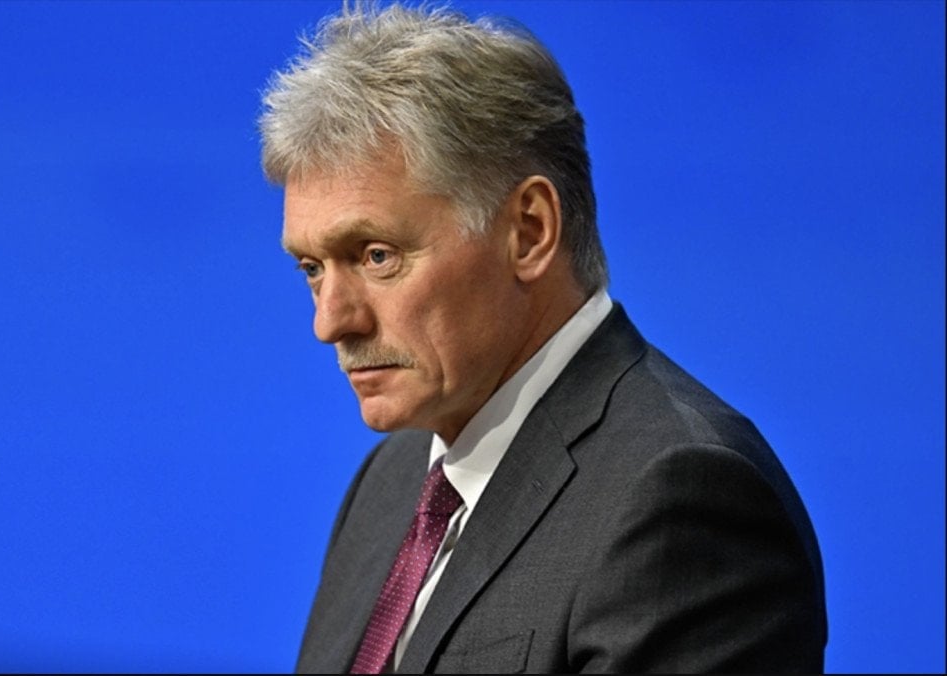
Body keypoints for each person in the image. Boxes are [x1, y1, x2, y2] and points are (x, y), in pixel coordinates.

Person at [259, 3, 827, 673]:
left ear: (528, 232)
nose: (330, 322)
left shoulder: (683, 499)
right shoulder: (390, 481)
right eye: (312, 268)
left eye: (377, 255)